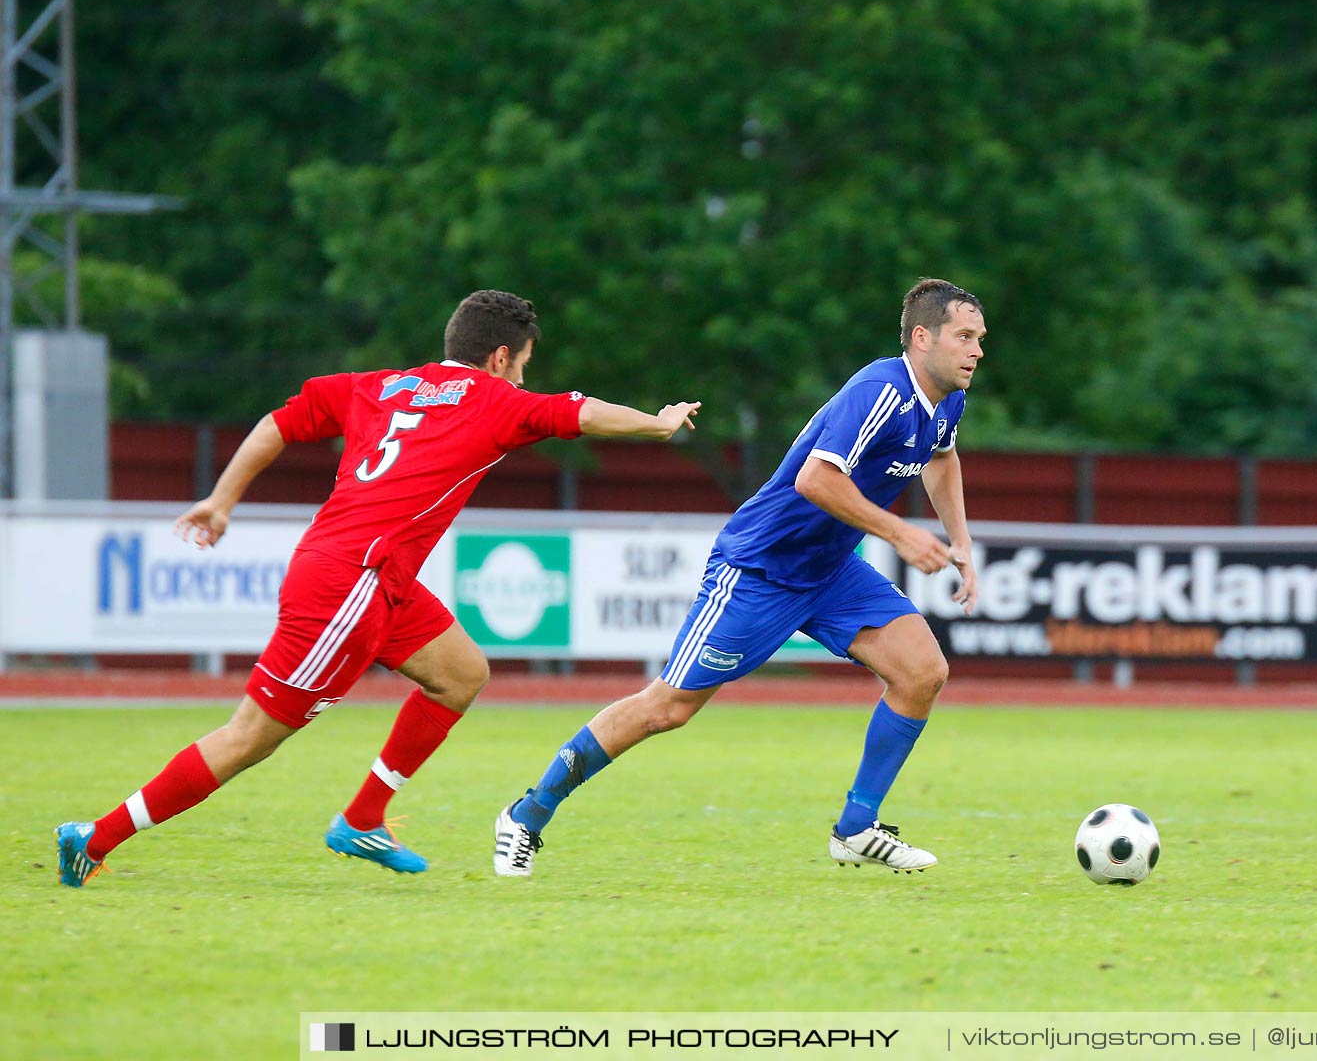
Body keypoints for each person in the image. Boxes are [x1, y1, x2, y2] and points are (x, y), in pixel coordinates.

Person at [54, 290, 701, 886]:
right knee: (250, 735)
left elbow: (278, 423)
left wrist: (223, 499)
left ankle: (363, 818)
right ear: (501, 357)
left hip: (374, 575)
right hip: (351, 583)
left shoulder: (380, 386)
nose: (526, 377)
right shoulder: (497, 401)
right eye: (525, 362)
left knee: (460, 673)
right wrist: (658, 422)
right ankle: (94, 838)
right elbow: (583, 413)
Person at [493, 277, 984, 877]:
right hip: (759, 568)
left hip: (829, 571)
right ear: (921, 338)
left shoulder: (948, 398)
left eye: (979, 339)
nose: (976, 350)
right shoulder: (879, 390)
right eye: (964, 337)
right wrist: (902, 533)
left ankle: (856, 828)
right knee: (667, 708)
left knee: (923, 671)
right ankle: (527, 812)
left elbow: (941, 456)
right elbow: (814, 481)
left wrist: (958, 538)